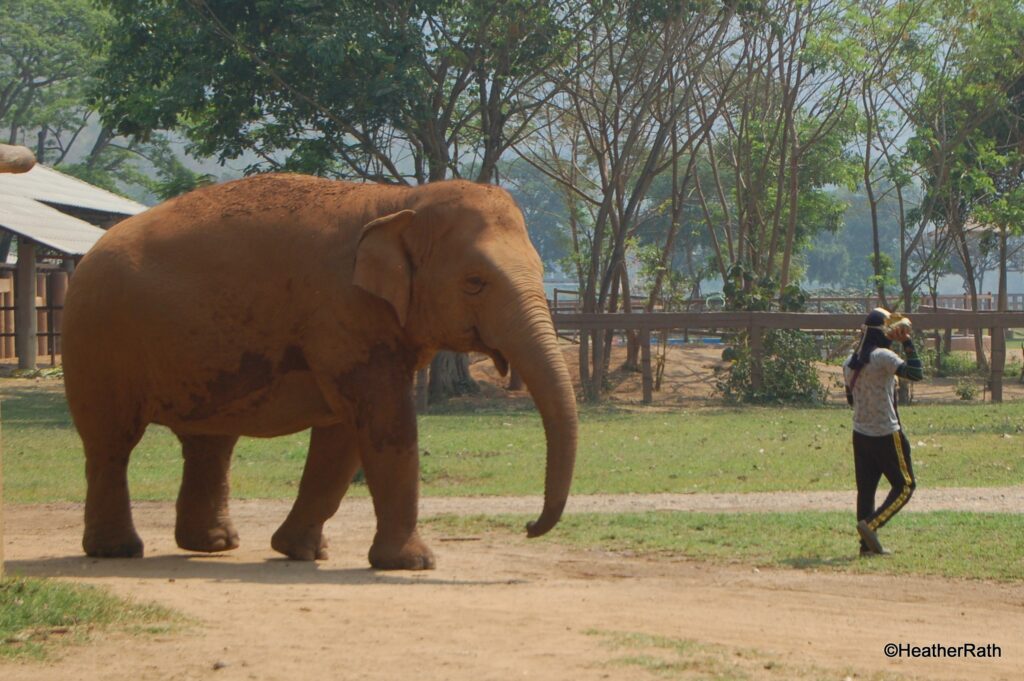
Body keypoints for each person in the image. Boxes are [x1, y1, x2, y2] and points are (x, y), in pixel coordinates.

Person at [843, 308, 924, 556]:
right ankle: (871, 525)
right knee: (905, 486)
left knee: (866, 491)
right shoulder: (883, 357)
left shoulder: (850, 362)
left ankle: (866, 546)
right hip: (886, 432)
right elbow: (916, 373)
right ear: (883, 333)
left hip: (860, 434)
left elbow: (850, 399)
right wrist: (908, 342)